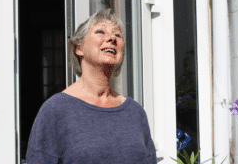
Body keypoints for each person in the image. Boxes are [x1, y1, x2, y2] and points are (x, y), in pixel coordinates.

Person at [26, 9, 157, 163]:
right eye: (100, 31)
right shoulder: (55, 110)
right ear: (78, 48)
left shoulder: (135, 112)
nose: (112, 38)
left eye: (117, 35)